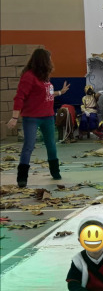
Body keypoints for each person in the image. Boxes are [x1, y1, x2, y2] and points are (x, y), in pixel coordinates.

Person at [9, 48, 69, 187]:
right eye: (49, 58)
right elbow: (19, 97)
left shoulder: (44, 76)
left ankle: (55, 172)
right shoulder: (29, 76)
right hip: (32, 117)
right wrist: (14, 117)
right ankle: (22, 177)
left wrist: (60, 92)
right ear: (43, 60)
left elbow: (46, 94)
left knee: (51, 145)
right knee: (29, 146)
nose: (51, 61)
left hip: (47, 117)